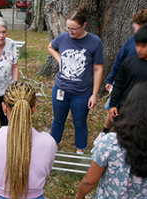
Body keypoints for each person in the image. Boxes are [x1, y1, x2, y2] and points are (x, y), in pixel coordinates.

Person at [103, 8, 147, 133]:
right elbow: (120, 60)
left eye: (137, 24)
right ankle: (105, 132)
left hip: (145, 95)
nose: (134, 25)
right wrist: (111, 78)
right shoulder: (132, 40)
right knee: (112, 108)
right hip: (125, 86)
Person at [48, 7, 103, 154]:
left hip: (82, 92)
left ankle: (80, 150)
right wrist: (60, 60)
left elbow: (98, 69)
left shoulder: (95, 42)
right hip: (61, 88)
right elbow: (51, 47)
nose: (71, 32)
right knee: (58, 120)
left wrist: (94, 94)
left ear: (84, 25)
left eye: (74, 29)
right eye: (68, 28)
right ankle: (53, 148)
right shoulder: (62, 37)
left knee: (79, 123)